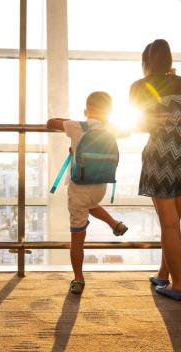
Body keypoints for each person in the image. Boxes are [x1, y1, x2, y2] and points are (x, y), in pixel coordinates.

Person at [130, 39, 181, 302]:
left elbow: (140, 124)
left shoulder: (140, 86)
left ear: (145, 63)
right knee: (172, 221)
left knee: (169, 223)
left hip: (164, 154)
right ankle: (164, 274)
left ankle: (176, 285)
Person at [47, 91, 128, 295]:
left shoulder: (77, 126)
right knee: (91, 204)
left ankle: (78, 278)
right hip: (100, 186)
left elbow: (50, 122)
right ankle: (114, 224)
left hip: (79, 189)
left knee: (77, 241)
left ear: (86, 110)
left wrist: (74, 120)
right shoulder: (111, 129)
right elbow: (128, 131)